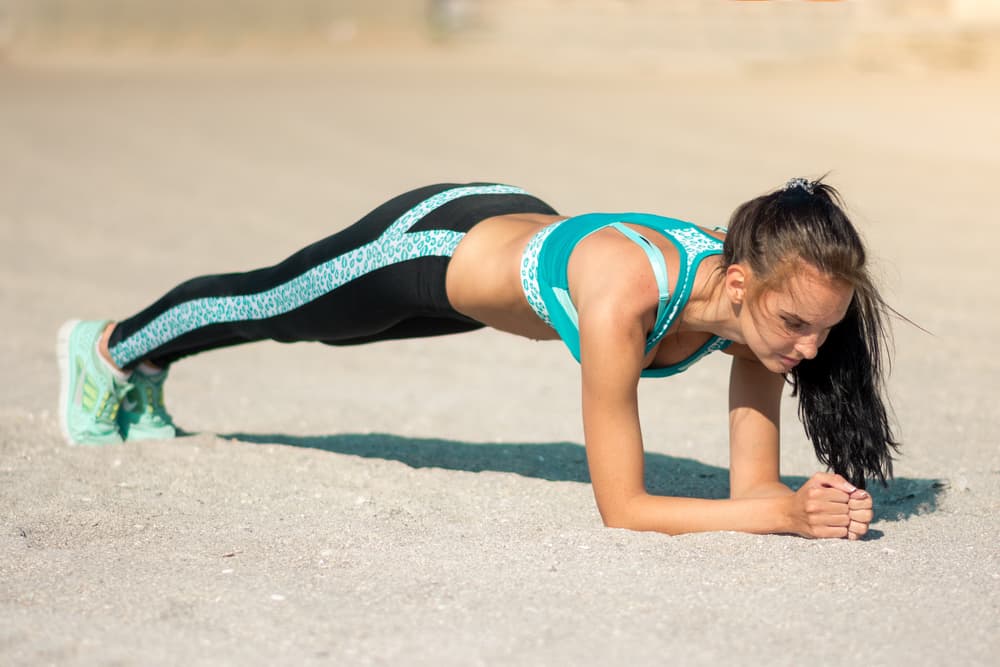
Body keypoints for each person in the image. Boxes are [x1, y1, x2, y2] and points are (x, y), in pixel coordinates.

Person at [57, 179, 898, 540]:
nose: (808, 350)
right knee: (272, 307)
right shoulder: (623, 294)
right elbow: (626, 506)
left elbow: (752, 492)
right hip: (432, 246)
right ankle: (109, 353)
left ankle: (136, 366)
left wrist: (797, 501)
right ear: (744, 279)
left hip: (493, 271)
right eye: (796, 324)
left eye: (823, 331)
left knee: (339, 333)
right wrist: (780, 515)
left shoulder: (752, 318)